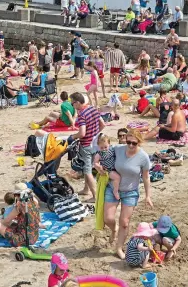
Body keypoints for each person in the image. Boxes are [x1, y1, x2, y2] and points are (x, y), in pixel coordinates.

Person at [103, 129, 152, 259]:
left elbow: (146, 177)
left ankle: (119, 247)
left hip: (130, 192)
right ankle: (114, 229)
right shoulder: (117, 149)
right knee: (108, 218)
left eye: (134, 143)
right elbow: (102, 152)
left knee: (124, 222)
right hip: (112, 187)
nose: (130, 145)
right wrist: (97, 165)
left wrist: (148, 196)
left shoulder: (143, 157)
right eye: (128, 142)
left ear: (139, 143)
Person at [70, 93, 105, 203]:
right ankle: (86, 189)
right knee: (88, 168)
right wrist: (95, 134)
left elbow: (82, 133)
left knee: (87, 170)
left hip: (86, 145)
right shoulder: (93, 109)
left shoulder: (81, 115)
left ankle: (95, 196)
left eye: (73, 103)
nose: (72, 105)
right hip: (95, 143)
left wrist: (73, 136)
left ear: (78, 102)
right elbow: (103, 124)